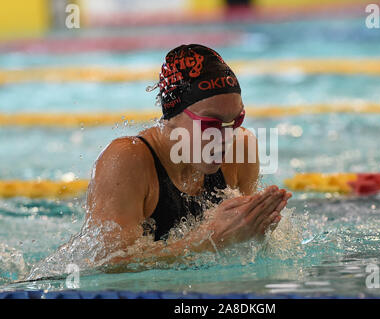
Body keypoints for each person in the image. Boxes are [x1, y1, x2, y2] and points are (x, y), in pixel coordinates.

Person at [86, 44, 292, 266]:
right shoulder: (127, 161)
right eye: (210, 123)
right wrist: (206, 240)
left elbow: (246, 255)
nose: (225, 136)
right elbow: (108, 266)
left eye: (236, 121)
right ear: (171, 117)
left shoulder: (242, 147)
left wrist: (257, 231)